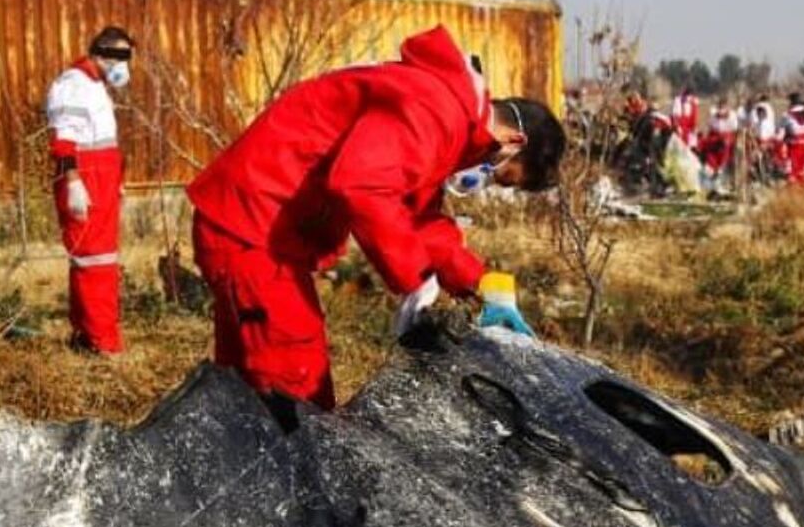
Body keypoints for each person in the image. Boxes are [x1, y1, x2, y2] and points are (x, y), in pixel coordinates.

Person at [186, 26, 567, 411]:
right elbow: (362, 186)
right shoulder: (435, 110)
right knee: (297, 389)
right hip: (254, 226)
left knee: (243, 392)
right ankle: (291, 469)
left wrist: (479, 285)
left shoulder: (447, 116)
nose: (487, 178)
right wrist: (414, 280)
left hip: (256, 225)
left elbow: (417, 215)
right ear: (514, 142)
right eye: (502, 175)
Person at [45, 26, 135, 355]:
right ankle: (102, 343)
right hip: (87, 181)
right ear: (103, 54)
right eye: (122, 57)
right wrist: (73, 183)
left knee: (97, 260)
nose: (125, 66)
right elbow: (64, 139)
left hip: (101, 180)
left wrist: (116, 181)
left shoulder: (95, 87)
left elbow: (101, 140)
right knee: (95, 261)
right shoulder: (73, 86)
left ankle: (87, 336)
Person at [671, 86, 700, 151]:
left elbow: (694, 118)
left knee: (692, 143)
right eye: (687, 96)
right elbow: (675, 116)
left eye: (690, 96)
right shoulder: (678, 101)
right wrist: (677, 127)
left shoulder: (694, 104)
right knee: (679, 143)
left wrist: (695, 128)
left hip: (689, 129)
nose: (688, 98)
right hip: (680, 127)